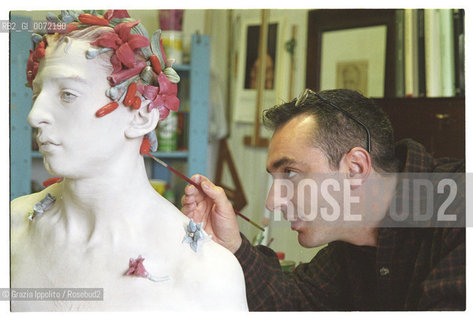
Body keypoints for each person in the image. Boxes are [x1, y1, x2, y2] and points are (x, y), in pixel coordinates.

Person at [11, 10, 248, 311]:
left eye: (67, 95)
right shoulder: (12, 229)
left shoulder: (206, 274)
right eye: (37, 93)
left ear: (141, 116)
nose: (34, 116)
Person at [181, 88, 465, 310]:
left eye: (290, 173)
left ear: (355, 169)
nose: (272, 202)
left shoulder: (461, 208)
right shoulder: (351, 246)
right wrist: (233, 244)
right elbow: (291, 302)